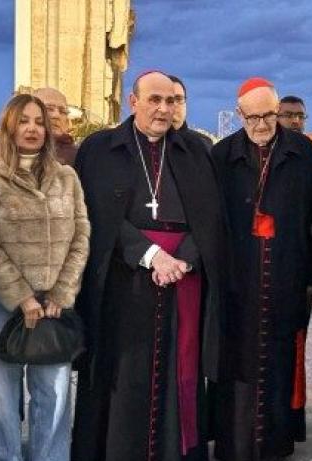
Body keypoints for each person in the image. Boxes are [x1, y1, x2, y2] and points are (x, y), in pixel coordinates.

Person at [71, 70, 227, 461]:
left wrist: (184, 260)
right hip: (124, 278)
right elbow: (95, 216)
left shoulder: (197, 149)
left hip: (182, 277)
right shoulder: (100, 148)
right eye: (154, 100)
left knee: (181, 367)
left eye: (171, 101)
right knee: (123, 370)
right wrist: (150, 254)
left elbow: (211, 217)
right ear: (133, 101)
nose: (163, 108)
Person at [0, 93, 90, 460]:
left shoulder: (66, 177)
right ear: (8, 125)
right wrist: (20, 296)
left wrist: (62, 294)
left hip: (53, 303)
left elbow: (81, 234)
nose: (33, 128)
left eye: (40, 121)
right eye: (24, 120)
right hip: (1, 304)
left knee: (54, 397)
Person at [211, 77, 312, 461]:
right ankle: (235, 444)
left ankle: (277, 442)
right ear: (239, 114)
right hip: (237, 281)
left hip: (286, 277)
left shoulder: (303, 152)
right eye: (253, 117)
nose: (261, 125)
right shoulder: (222, 155)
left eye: (269, 116)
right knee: (237, 363)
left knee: (281, 363)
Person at [32, 86, 79, 165]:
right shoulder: (10, 153)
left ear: (67, 122)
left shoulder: (81, 157)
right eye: (49, 109)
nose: (56, 115)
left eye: (62, 111)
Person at [168, 74, 214, 149]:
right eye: (169, 100)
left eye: (179, 99)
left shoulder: (203, 145)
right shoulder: (143, 147)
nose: (174, 106)